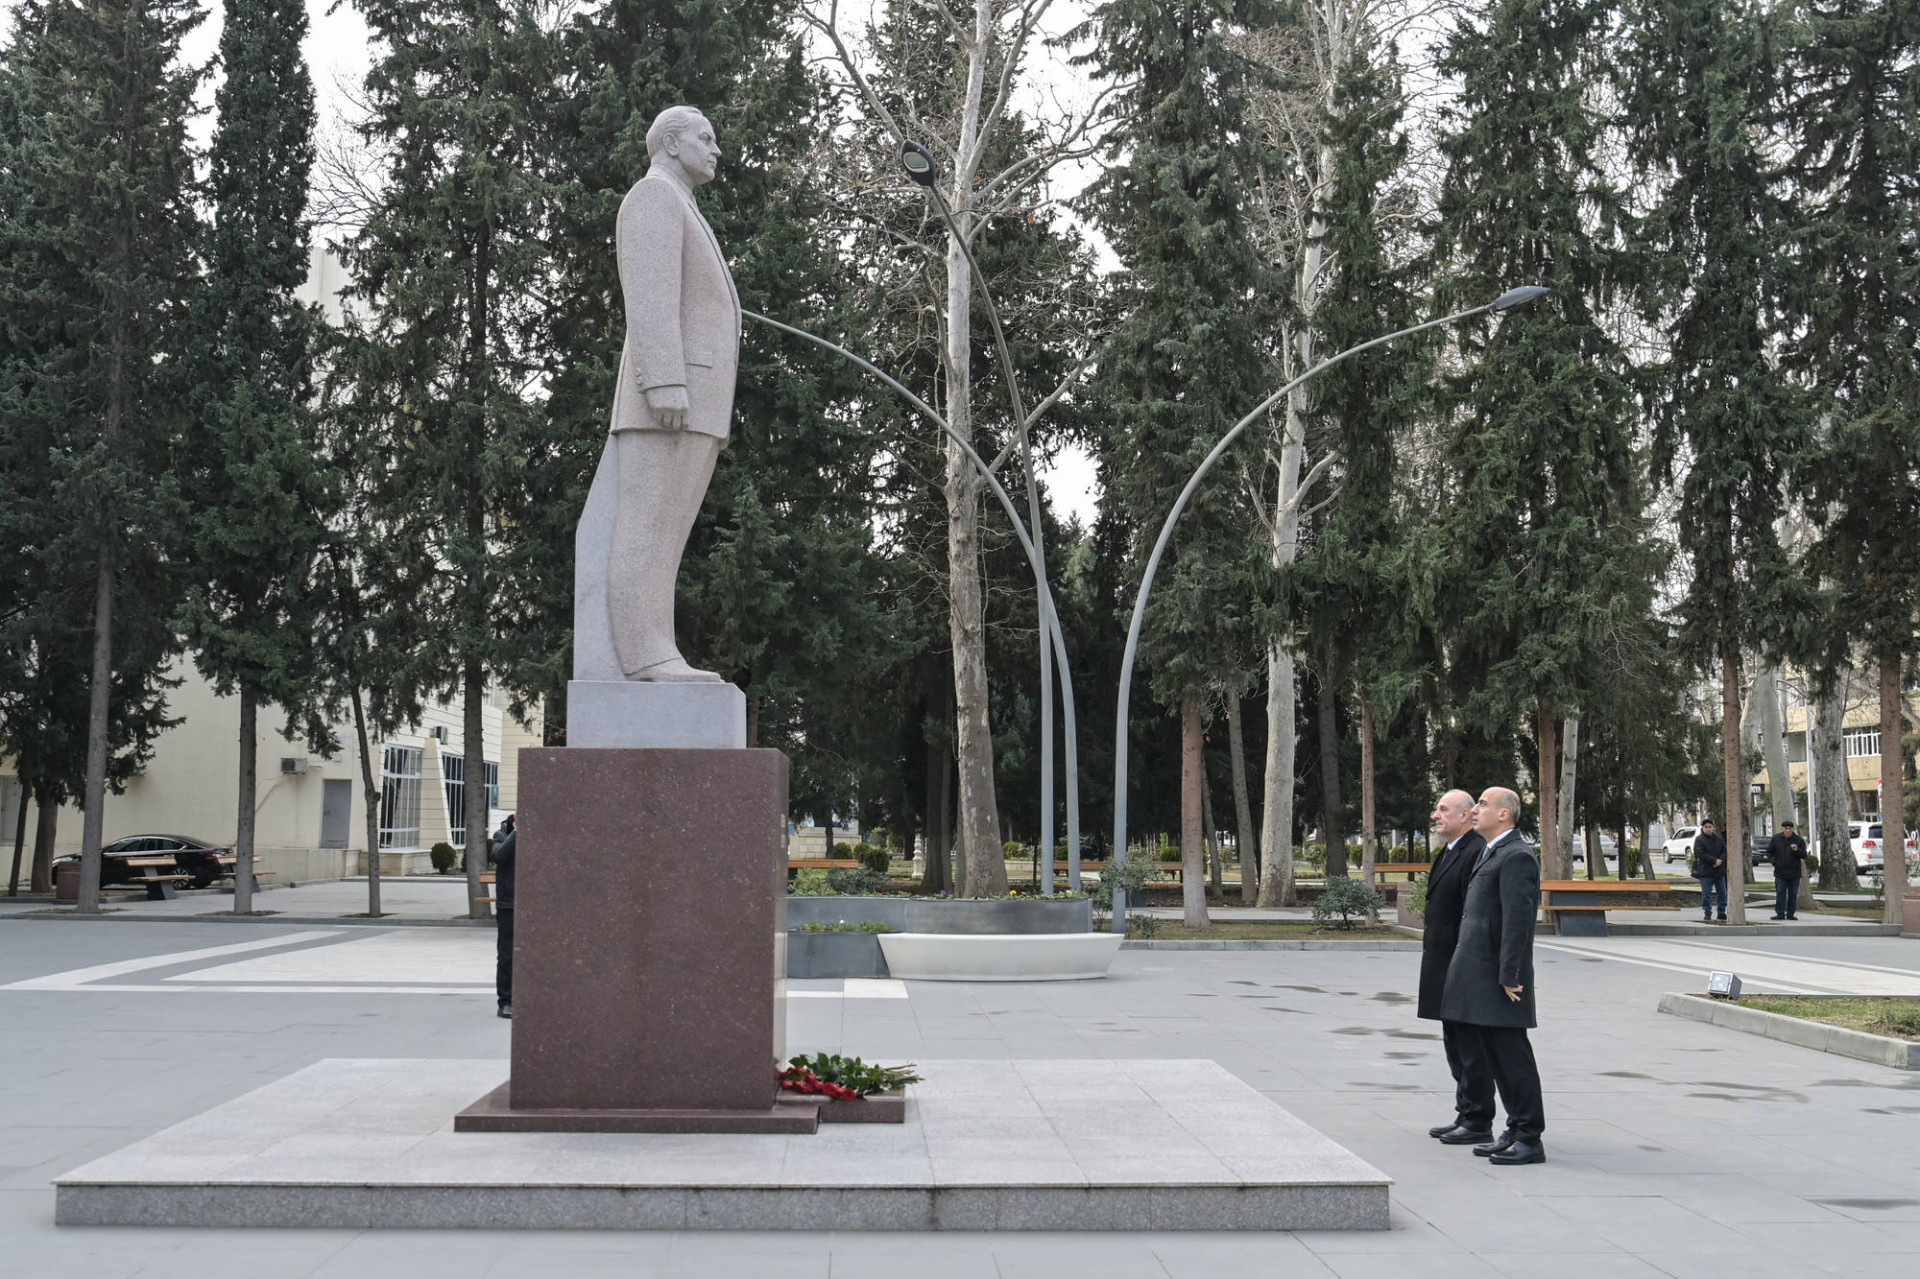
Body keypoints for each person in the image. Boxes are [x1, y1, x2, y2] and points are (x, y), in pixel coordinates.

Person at [605, 105, 740, 682]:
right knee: (650, 523)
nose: (716, 149)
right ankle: (645, 653)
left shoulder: (681, 202)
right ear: (672, 142)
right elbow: (649, 296)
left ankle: (656, 648)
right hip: (669, 396)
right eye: (705, 138)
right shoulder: (654, 197)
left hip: (697, 396)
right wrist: (664, 379)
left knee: (669, 531)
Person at [1440, 786, 1546, 1166]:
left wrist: (1510, 974)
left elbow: (1518, 922)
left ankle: (1529, 1136)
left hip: (1501, 979)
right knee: (1496, 1058)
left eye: (1483, 804)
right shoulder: (1493, 851)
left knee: (1512, 1057)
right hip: (1481, 974)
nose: (1476, 810)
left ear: (1504, 814)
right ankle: (1514, 1130)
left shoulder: (1517, 856)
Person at [1419, 789, 1495, 1145]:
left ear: (1465, 815)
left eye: (1443, 809)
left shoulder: (1475, 851)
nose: (1436, 815)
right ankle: (1466, 1111)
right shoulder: (1451, 850)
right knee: (1454, 1041)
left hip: (1460, 963)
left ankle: (1478, 1119)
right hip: (1442, 961)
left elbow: (1471, 912)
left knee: (1470, 1045)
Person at [491, 814, 517, 1019]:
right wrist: (516, 834)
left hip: (532, 905)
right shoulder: (501, 835)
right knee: (506, 954)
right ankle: (506, 1001)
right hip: (508, 904)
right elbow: (499, 856)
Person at [1767, 820, 1809, 920]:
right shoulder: (1776, 839)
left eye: (1790, 829)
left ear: (1793, 829)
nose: (1788, 831)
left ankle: (1790, 913)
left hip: (1794, 873)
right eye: (1786, 828)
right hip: (1780, 872)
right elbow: (1769, 852)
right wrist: (1774, 862)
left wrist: (1797, 850)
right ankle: (1780, 913)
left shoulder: (1798, 840)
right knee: (1780, 893)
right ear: (1782, 829)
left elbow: (1804, 855)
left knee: (1793, 894)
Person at [1692, 818, 1728, 922]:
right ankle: (1707, 912)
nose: (1708, 829)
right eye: (1706, 827)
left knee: (1722, 893)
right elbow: (1700, 853)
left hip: (1719, 871)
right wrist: (1714, 860)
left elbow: (1725, 851)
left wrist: (1720, 860)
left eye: (1710, 827)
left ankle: (1721, 912)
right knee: (1706, 894)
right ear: (1702, 828)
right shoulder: (1699, 839)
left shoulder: (1719, 838)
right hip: (1706, 872)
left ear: (1713, 828)